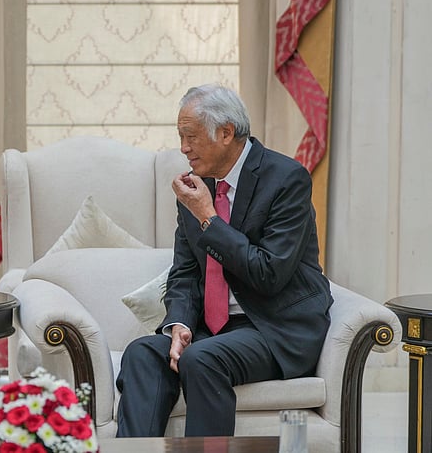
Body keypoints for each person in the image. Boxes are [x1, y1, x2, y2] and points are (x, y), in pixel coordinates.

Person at [114, 84, 333, 437]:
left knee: (203, 359)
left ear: (226, 132)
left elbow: (268, 274)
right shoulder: (196, 186)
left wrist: (207, 217)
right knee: (141, 353)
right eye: (180, 136)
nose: (183, 148)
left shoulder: (286, 179)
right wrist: (180, 325)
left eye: (191, 137)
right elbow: (184, 273)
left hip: (273, 327)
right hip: (212, 330)